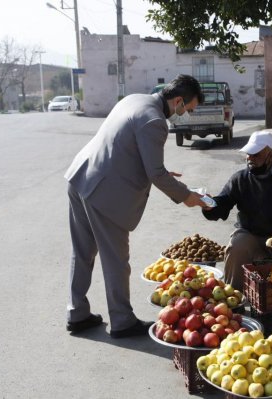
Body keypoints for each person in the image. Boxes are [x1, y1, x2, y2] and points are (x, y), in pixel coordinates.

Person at [64, 74, 208, 338]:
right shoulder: (155, 121)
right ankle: (122, 321)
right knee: (116, 260)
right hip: (105, 193)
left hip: (81, 176)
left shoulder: (135, 99)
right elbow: (155, 173)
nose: (184, 115)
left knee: (82, 252)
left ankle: (77, 314)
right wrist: (186, 196)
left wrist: (162, 174)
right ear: (177, 100)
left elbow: (126, 146)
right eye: (187, 110)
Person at [202, 130, 272, 290]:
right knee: (236, 246)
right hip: (251, 236)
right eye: (248, 154)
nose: (250, 159)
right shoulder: (240, 179)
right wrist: (210, 205)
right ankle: (234, 296)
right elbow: (223, 201)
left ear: (271, 156)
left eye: (256, 155)